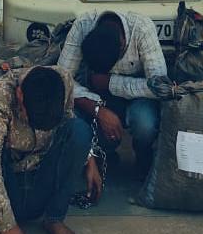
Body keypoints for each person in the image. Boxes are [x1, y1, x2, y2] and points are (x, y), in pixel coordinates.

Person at [0, 66, 99, 234]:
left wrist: (89, 159)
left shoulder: (63, 80)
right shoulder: (0, 98)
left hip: (40, 177)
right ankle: (3, 227)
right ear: (20, 95)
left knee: (80, 130)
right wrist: (7, 227)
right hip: (10, 184)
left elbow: (68, 121)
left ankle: (54, 219)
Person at [57, 11, 167, 177]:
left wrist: (110, 82)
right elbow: (61, 79)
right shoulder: (82, 26)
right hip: (98, 95)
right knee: (75, 119)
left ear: (122, 45)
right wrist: (97, 110)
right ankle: (102, 153)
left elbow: (160, 86)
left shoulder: (142, 28)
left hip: (139, 98)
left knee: (145, 124)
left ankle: (143, 154)